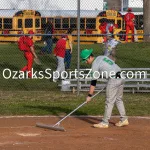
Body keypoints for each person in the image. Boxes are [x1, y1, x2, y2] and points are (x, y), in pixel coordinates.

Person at [80, 49, 129, 128]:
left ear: (89, 57)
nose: (86, 62)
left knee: (109, 101)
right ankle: (124, 119)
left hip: (113, 78)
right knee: (118, 99)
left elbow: (93, 82)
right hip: (121, 76)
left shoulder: (94, 64)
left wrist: (89, 95)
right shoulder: (101, 57)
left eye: (85, 60)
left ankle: (105, 122)